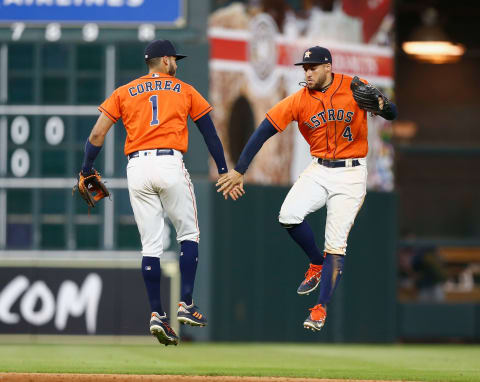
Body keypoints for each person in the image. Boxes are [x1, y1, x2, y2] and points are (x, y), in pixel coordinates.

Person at [217, 46, 397, 331]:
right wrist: (240, 169)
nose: (308, 72)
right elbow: (263, 130)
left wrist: (382, 104)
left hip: (351, 173)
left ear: (328, 67)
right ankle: (316, 263)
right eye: (305, 68)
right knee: (288, 215)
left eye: (313, 67)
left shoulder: (353, 86)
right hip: (320, 168)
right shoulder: (299, 100)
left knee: (336, 244)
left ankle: (320, 308)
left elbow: (392, 113)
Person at [79, 39, 240, 346]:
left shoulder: (124, 91)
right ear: (165, 61)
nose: (176, 64)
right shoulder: (186, 90)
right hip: (169, 163)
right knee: (188, 234)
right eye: (174, 59)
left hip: (136, 169)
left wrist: (87, 168)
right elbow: (209, 132)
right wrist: (222, 170)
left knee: (151, 245)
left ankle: (156, 313)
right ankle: (186, 304)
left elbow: (98, 132)